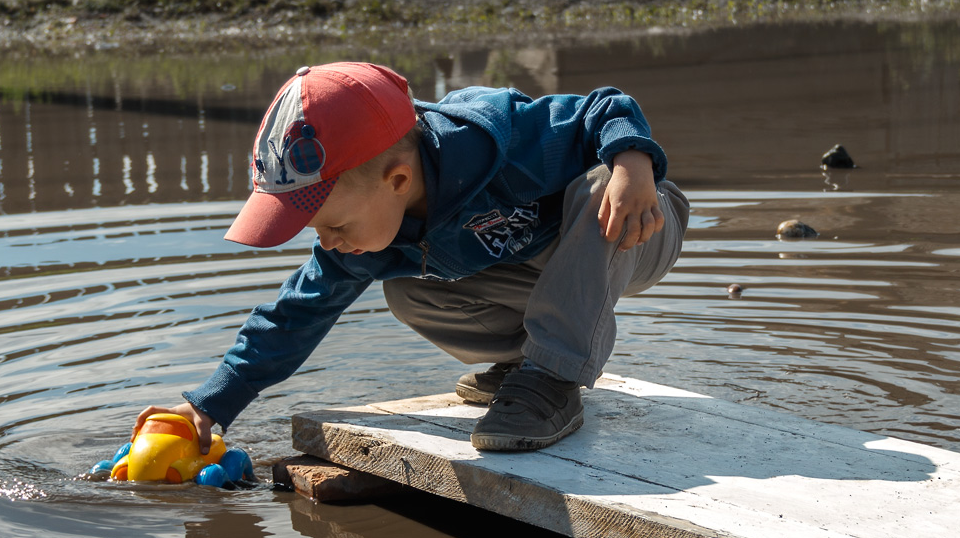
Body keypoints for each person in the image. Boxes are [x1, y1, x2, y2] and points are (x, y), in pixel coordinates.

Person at [138, 61, 689, 454]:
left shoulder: (500, 143)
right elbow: (293, 317)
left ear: (398, 179)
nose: (327, 242)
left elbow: (603, 105)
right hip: (529, 270)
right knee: (408, 288)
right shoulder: (362, 238)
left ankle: (552, 377)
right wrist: (209, 406)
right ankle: (528, 366)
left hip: (638, 228)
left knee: (598, 188)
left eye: (333, 224)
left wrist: (631, 163)